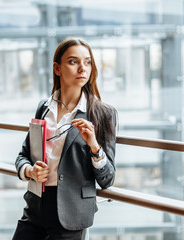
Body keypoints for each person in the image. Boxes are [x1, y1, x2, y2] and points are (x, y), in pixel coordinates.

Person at [13, 38, 117, 240]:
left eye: (87, 62)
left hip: (71, 214)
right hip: (36, 207)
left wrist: (94, 146)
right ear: (57, 68)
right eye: (73, 62)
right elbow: (23, 156)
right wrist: (30, 171)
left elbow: (107, 179)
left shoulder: (103, 114)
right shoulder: (44, 108)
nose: (82, 69)